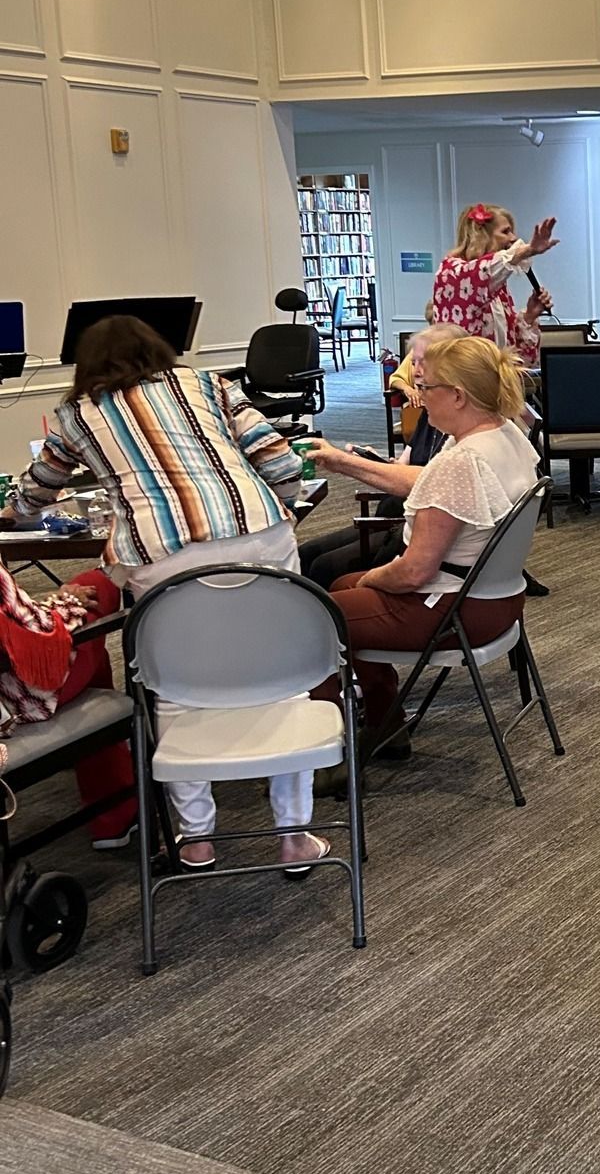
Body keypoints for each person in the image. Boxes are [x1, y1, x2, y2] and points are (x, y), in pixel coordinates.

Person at [1, 315, 321, 871]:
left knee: (174, 686)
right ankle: (294, 836)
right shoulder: (208, 384)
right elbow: (280, 460)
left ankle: (196, 838)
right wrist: (281, 505)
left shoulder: (77, 414)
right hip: (260, 533)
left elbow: (36, 491)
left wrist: (15, 512)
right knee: (283, 680)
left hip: (158, 551)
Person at [307, 335, 540, 758]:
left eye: (426, 388)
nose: (418, 397)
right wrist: (344, 462)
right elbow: (429, 483)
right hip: (499, 601)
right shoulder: (506, 434)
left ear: (457, 396)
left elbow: (414, 571)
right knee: (340, 585)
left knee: (312, 616)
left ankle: (323, 755)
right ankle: (385, 723)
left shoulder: (460, 461)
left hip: (454, 612)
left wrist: (374, 577)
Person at [298, 324, 460, 590]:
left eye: (422, 362)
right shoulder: (430, 413)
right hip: (401, 513)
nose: (415, 371)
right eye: (414, 362)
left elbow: (427, 481)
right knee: (305, 553)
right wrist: (380, 463)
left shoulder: (460, 431)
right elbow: (405, 465)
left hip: (417, 528)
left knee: (323, 567)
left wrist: (346, 463)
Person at [0, 565, 136, 851]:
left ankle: (116, 816)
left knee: (92, 659)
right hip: (16, 702)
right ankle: (114, 816)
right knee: (100, 581)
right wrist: (68, 602)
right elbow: (37, 634)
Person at [430, 203, 558, 358]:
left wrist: (529, 316)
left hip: (491, 372)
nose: (513, 238)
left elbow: (513, 354)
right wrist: (528, 250)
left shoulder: (497, 288)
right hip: (462, 372)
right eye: (505, 232)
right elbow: (479, 274)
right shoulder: (451, 273)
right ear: (482, 236)